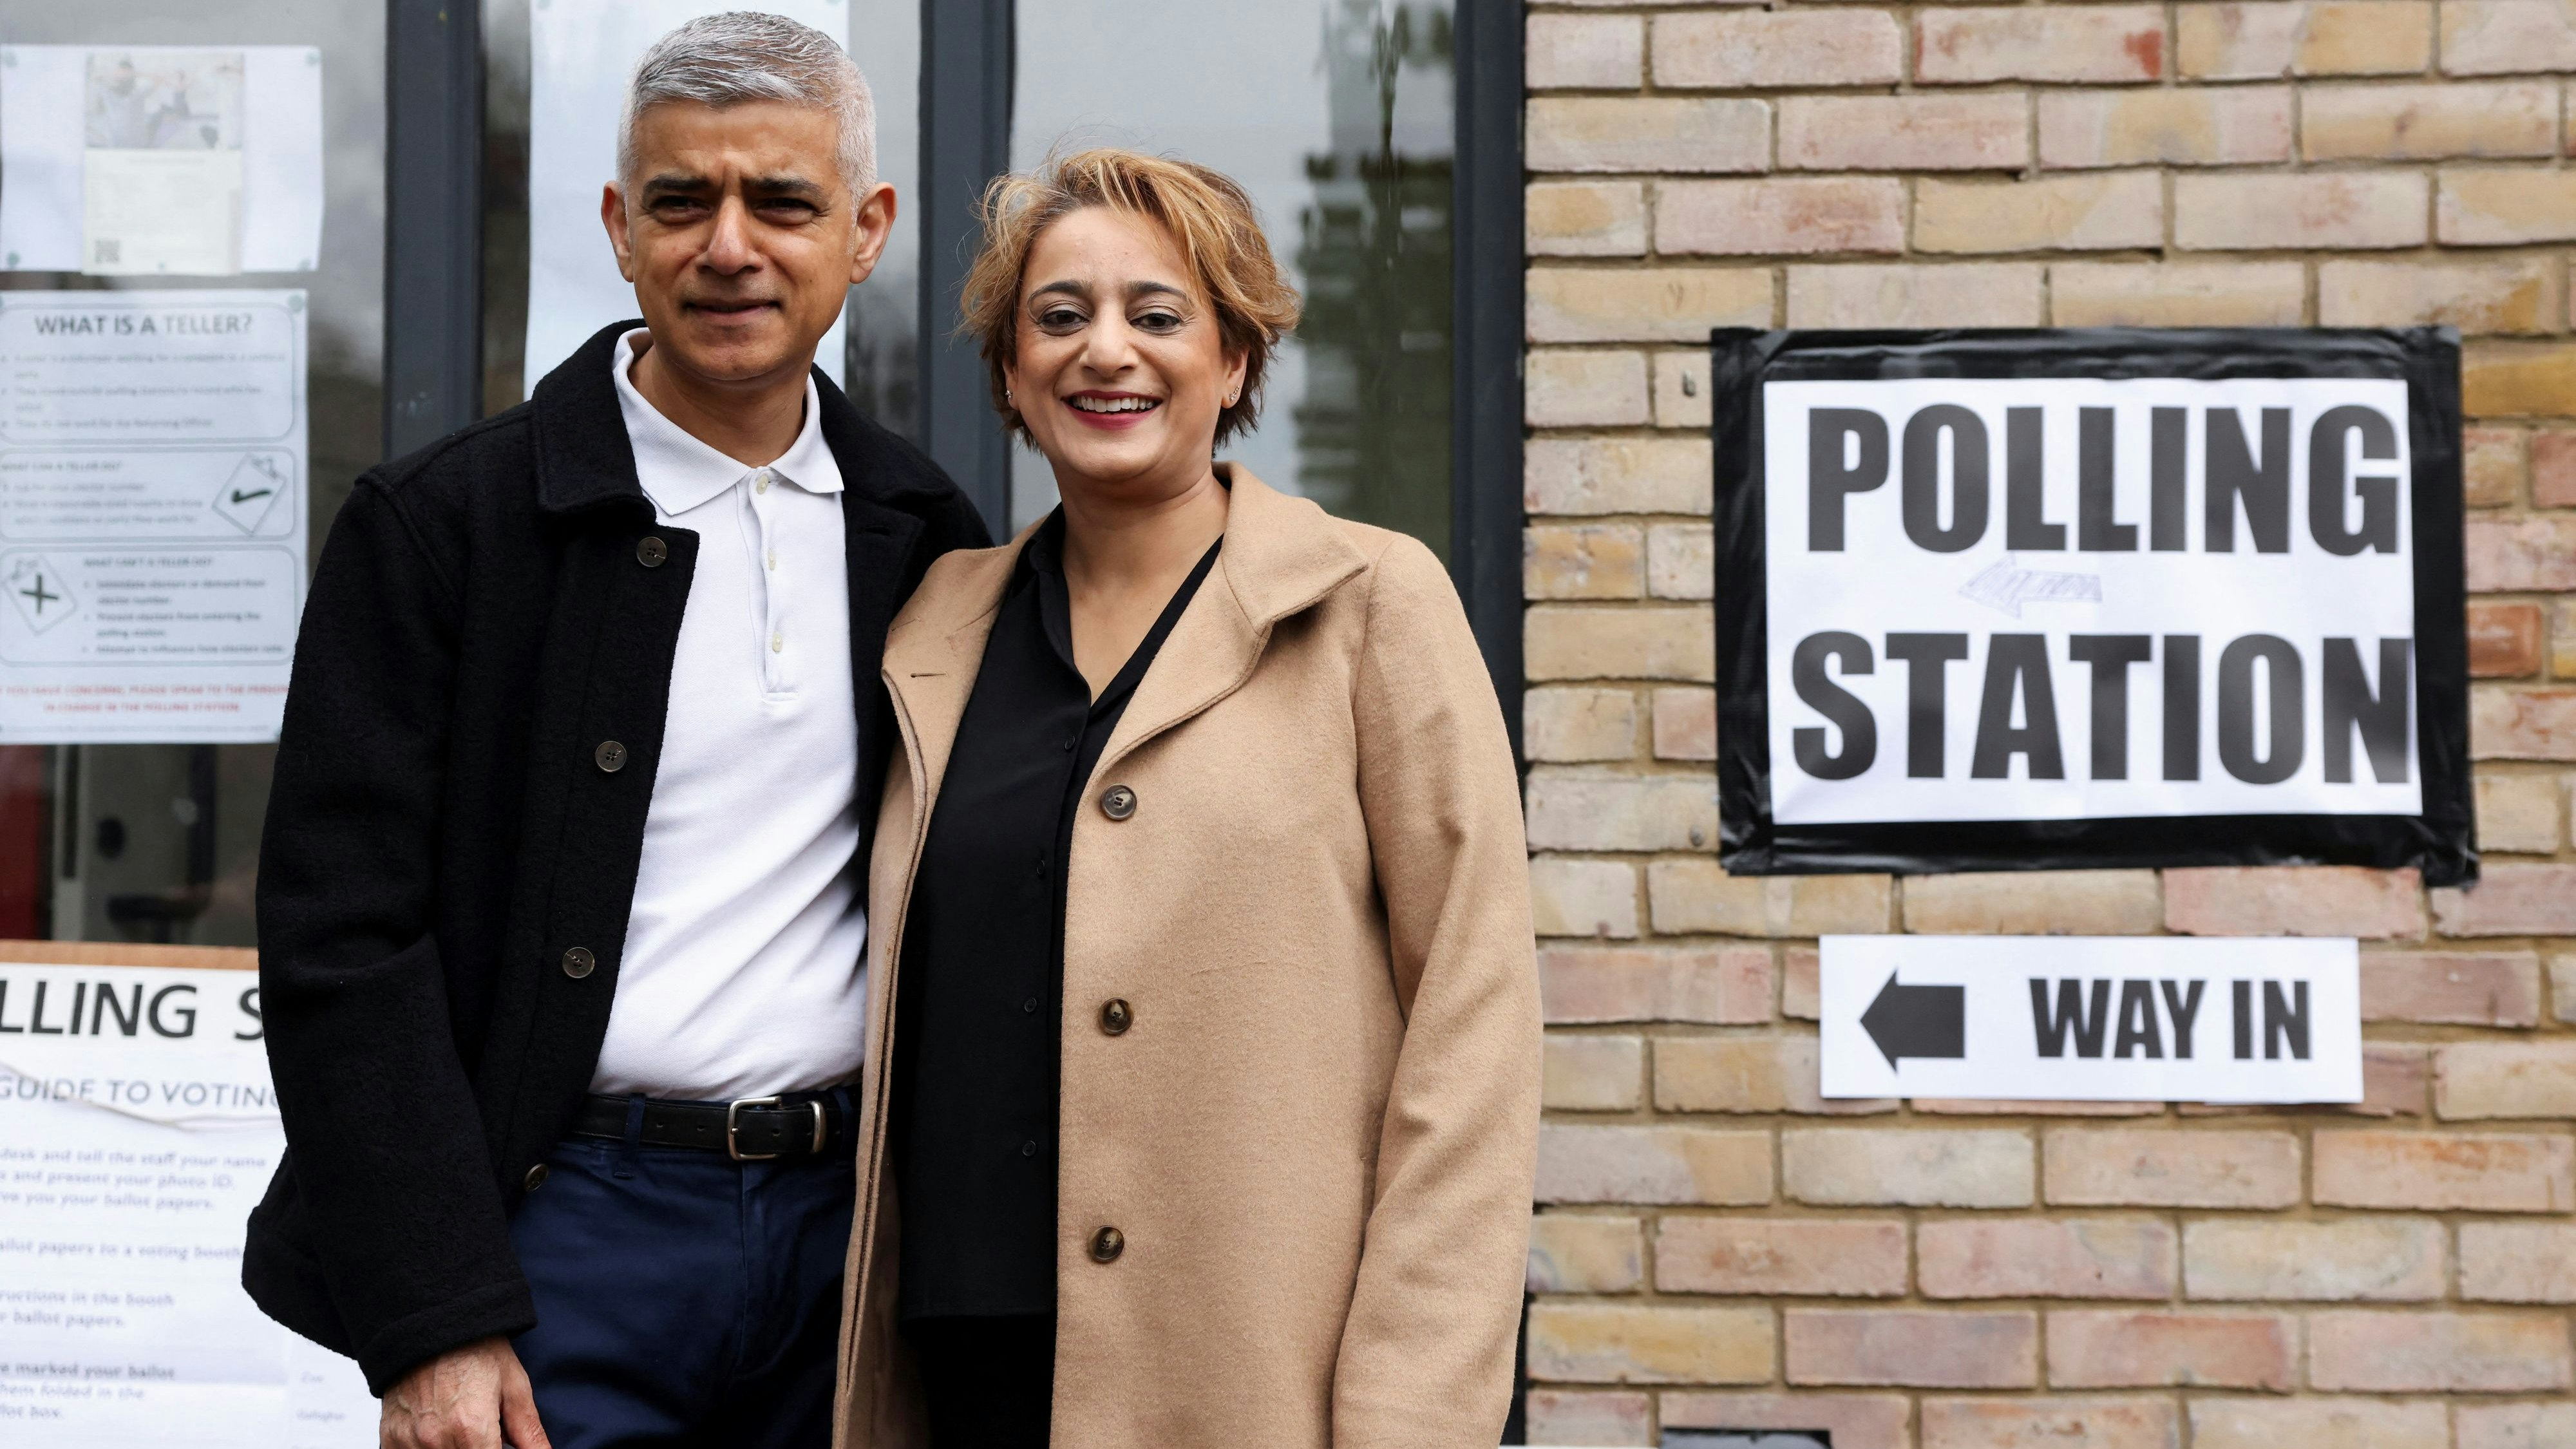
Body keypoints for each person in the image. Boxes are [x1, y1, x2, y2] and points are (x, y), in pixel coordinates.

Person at [242, 15, 986, 1449]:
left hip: (847, 1243)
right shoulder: (444, 525)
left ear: (865, 229)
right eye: (679, 202)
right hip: (556, 1235)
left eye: (780, 202)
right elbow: (340, 941)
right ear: (618, 227)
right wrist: (436, 1313)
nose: (729, 246)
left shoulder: (924, 534)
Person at [834, 148, 1540, 1447]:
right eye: (1060, 317)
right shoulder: (933, 626)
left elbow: (1474, 1029)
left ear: (1231, 361)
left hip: (1252, 1375)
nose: (1107, 351)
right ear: (1006, 370)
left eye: (1157, 316)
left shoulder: (1369, 606)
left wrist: (1412, 1409)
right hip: (966, 1372)